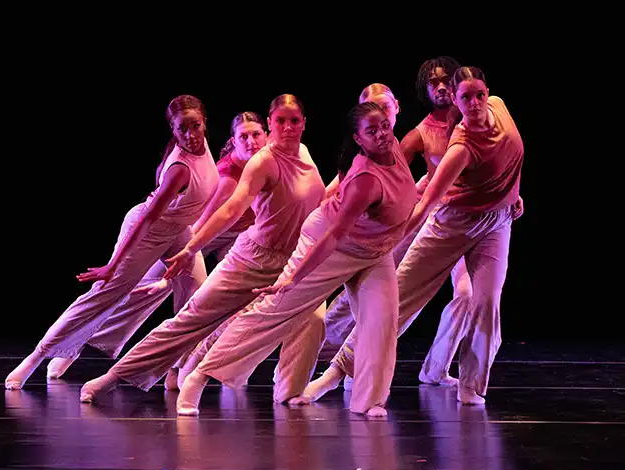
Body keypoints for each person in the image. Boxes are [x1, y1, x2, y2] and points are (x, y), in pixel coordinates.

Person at [174, 101, 418, 418]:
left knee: (382, 319)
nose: (383, 134)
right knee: (275, 311)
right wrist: (293, 277)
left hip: (376, 250)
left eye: (385, 126)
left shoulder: (394, 146)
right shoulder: (365, 180)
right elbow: (333, 235)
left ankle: (369, 400)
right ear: (359, 139)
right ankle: (199, 377)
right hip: (333, 245)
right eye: (372, 131)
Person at [79, 94, 327, 402]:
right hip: (256, 258)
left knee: (313, 321)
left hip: (295, 262)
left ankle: (289, 393)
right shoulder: (264, 162)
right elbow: (229, 209)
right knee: (192, 319)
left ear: (304, 123)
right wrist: (190, 248)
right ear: (270, 124)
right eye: (280, 121)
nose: (288, 127)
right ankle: (114, 377)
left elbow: (313, 204)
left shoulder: (304, 153)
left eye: (294, 121)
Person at [308, 66, 524, 405]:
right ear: (456, 99)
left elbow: (512, 157)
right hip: (453, 221)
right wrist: (385, 237)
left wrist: (512, 193)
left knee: (484, 302)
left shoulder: (500, 106)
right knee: (401, 297)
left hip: (496, 223)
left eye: (479, 94)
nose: (475, 102)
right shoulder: (459, 145)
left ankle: (469, 384)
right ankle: (337, 371)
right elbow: (424, 204)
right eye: (465, 97)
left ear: (487, 92)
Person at [5, 95, 219, 390]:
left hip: (179, 230)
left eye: (196, 126)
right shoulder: (179, 169)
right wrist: (112, 264)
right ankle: (35, 357)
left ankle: (175, 368)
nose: (191, 135)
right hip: (149, 232)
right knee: (103, 295)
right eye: (183, 129)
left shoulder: (203, 146)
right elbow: (146, 220)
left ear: (205, 122)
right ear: (173, 130)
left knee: (196, 297)